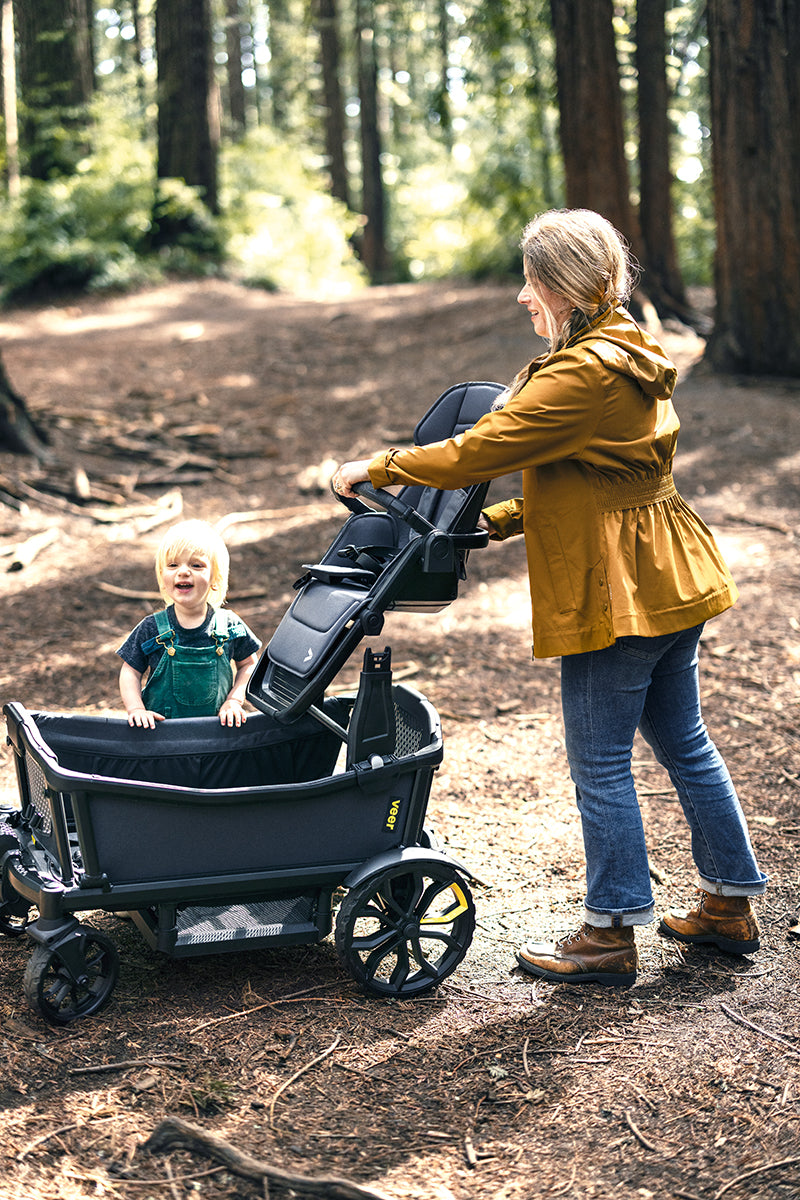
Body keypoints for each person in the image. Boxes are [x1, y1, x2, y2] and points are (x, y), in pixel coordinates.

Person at [332, 208, 767, 988]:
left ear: (561, 285)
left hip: (619, 592)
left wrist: (381, 465)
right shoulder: (630, 348)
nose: (521, 298)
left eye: (530, 282)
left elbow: (482, 448)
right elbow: (595, 473)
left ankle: (607, 931)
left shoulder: (581, 373)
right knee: (684, 742)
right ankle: (729, 905)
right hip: (669, 571)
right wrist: (498, 522)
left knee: (600, 762)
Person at [118, 519, 261, 729]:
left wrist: (234, 700)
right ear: (162, 577)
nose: (183, 571)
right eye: (173, 565)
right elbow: (130, 671)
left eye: (196, 565)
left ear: (215, 578)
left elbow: (249, 664)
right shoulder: (151, 628)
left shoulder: (228, 625)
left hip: (216, 735)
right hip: (162, 737)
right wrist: (136, 709)